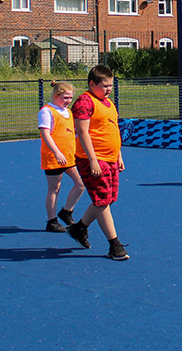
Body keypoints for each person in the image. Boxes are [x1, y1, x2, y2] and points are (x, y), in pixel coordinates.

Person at [65, 66, 129, 261]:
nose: (108, 89)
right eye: (104, 86)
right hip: (92, 158)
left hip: (110, 158)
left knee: (106, 200)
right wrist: (93, 160)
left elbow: (112, 129)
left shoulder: (108, 102)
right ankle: (114, 244)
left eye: (110, 86)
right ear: (92, 84)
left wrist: (118, 154)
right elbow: (83, 132)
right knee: (102, 200)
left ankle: (79, 228)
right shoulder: (85, 102)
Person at [39, 81, 87, 233]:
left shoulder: (68, 112)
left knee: (81, 183)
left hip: (69, 156)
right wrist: (56, 152)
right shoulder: (47, 111)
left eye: (71, 98)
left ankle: (67, 211)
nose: (68, 101)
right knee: (55, 188)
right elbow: (46, 134)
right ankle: (51, 220)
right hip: (54, 157)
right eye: (65, 97)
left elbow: (72, 131)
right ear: (56, 95)